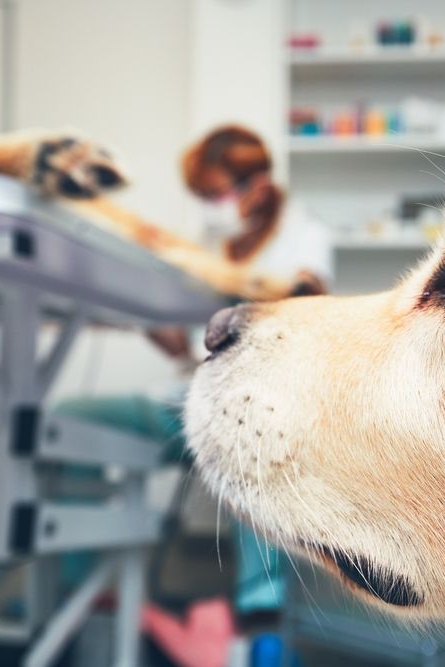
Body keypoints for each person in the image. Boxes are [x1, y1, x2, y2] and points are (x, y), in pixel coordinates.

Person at [55, 125, 333, 659]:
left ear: (254, 187)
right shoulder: (206, 246)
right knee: (72, 419)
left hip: (259, 403)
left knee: (259, 448)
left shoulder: (303, 235)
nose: (208, 208)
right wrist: (132, 301)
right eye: (202, 198)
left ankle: (262, 616)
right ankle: (82, 591)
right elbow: (181, 346)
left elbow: (309, 303)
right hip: (183, 404)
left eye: (213, 195)